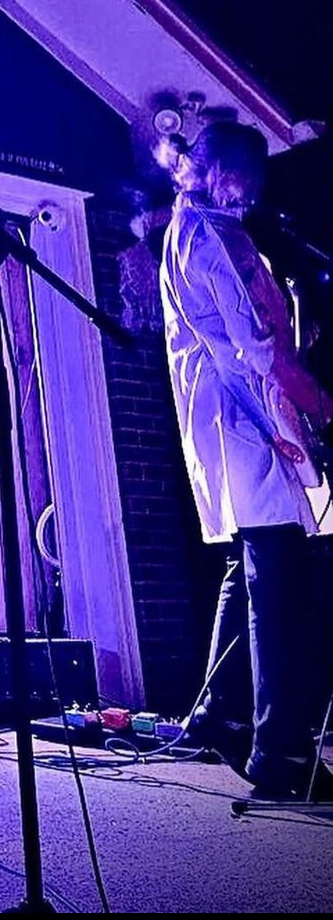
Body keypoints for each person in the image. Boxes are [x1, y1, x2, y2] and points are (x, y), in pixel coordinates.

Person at [157, 120, 333, 799]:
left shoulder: (188, 228)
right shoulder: (216, 236)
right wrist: (320, 406)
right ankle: (280, 751)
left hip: (228, 418)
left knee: (251, 564)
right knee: (278, 576)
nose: (257, 188)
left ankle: (216, 712)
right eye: (249, 172)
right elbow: (260, 350)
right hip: (245, 421)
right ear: (215, 168)